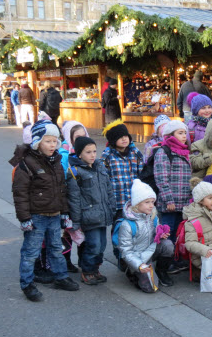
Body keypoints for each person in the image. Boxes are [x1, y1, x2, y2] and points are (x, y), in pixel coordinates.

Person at [10, 120, 79, 302]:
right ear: (37, 141)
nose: (53, 145)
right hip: (36, 217)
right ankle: (27, 284)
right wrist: (24, 218)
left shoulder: (56, 160)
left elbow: (61, 189)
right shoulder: (27, 163)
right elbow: (20, 193)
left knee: (56, 248)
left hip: (55, 215)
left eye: (55, 141)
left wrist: (64, 212)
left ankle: (60, 277)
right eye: (48, 141)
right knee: (31, 252)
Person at [66, 137, 117, 285]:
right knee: (93, 245)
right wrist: (75, 221)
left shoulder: (100, 167)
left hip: (102, 214)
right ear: (79, 154)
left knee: (101, 245)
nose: (93, 155)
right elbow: (74, 199)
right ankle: (87, 270)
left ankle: (95, 269)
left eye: (94, 151)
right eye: (88, 152)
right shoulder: (75, 172)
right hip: (88, 216)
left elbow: (109, 190)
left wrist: (112, 208)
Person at [117, 179, 175, 291]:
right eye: (147, 202)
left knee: (168, 245)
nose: (151, 206)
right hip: (137, 256)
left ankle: (161, 271)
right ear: (137, 204)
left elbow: (156, 236)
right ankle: (132, 271)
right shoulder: (127, 224)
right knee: (150, 288)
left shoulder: (153, 217)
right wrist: (139, 265)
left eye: (152, 202)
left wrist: (160, 235)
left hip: (150, 250)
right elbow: (126, 251)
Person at [153, 121, 192, 259]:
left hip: (183, 202)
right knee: (166, 233)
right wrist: (168, 199)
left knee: (177, 233)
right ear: (170, 135)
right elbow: (162, 178)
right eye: (180, 133)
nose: (183, 136)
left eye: (184, 133)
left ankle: (174, 260)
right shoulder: (164, 152)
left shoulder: (185, 151)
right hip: (170, 203)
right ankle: (163, 263)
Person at [101, 120, 144, 219]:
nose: (124, 139)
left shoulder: (135, 153)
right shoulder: (107, 156)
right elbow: (104, 179)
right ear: (113, 140)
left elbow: (142, 174)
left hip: (134, 200)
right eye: (120, 137)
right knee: (118, 227)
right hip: (117, 201)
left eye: (126, 136)